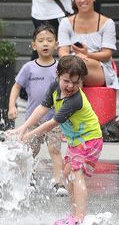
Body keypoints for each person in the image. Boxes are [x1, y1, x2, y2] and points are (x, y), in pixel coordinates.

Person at [8, 55, 103, 225]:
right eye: (66, 80)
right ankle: (73, 215)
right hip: (76, 141)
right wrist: (23, 128)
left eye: (76, 82)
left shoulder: (75, 99)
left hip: (90, 139)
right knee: (66, 175)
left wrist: (29, 135)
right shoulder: (54, 87)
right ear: (58, 75)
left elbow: (52, 123)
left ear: (81, 81)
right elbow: (42, 108)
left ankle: (79, 218)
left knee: (76, 173)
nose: (70, 86)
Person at [7, 25, 67, 197]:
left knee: (55, 150)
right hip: (33, 119)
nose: (45, 44)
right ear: (34, 45)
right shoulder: (29, 68)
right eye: (41, 41)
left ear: (56, 44)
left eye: (49, 40)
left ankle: (58, 182)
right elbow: (16, 86)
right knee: (30, 151)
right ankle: (29, 178)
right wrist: (12, 105)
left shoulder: (60, 68)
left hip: (54, 119)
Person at [58, 0, 119, 89]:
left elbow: (107, 54)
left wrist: (87, 55)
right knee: (72, 65)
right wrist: (74, 59)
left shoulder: (107, 23)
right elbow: (63, 51)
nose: (82, 0)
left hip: (99, 67)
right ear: (74, 0)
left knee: (79, 64)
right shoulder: (65, 22)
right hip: (71, 64)